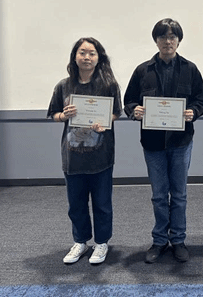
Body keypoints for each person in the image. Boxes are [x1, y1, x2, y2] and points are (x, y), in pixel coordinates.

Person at [123, 18, 203, 264]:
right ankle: (159, 241)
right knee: (159, 195)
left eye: (172, 37)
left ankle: (178, 240)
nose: (167, 41)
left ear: (178, 41)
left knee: (179, 195)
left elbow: (201, 100)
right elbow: (129, 101)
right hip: (153, 144)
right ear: (156, 40)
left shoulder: (191, 69)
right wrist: (134, 110)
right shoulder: (142, 71)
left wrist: (194, 111)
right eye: (162, 37)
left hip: (181, 142)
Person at [47, 37, 122, 265]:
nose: (87, 57)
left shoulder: (109, 85)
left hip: (101, 156)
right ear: (75, 56)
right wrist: (64, 115)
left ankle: (101, 243)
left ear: (99, 58)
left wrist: (104, 122)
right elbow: (54, 114)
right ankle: (80, 241)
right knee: (76, 204)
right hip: (72, 156)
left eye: (92, 53)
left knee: (102, 203)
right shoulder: (63, 86)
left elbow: (116, 112)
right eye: (82, 52)